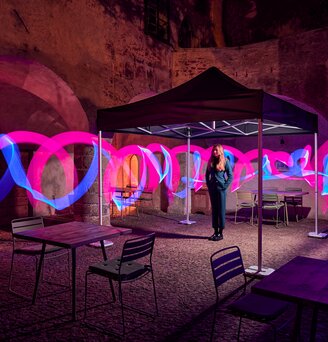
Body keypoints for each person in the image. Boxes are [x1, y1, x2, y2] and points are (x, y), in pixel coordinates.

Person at [205, 144, 233, 241]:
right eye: (213, 150)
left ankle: (220, 233)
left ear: (220, 151)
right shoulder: (211, 161)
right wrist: (209, 186)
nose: (214, 152)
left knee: (221, 211)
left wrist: (224, 186)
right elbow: (206, 175)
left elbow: (230, 176)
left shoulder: (225, 161)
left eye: (216, 150)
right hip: (213, 189)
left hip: (221, 190)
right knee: (214, 211)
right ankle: (215, 231)